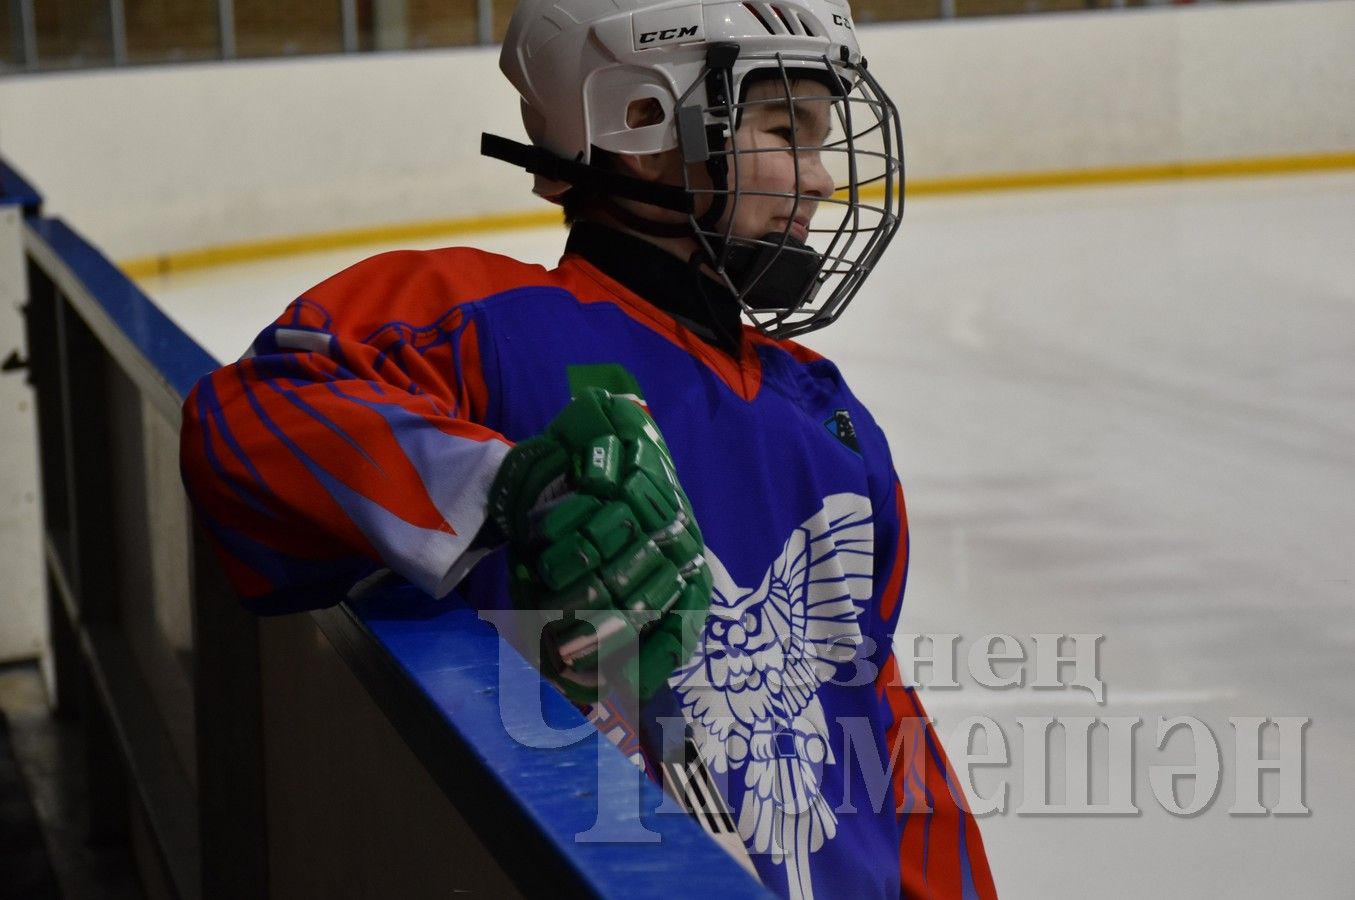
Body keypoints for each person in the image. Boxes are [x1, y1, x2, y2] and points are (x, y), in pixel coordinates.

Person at [179, 0, 996, 896]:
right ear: (642, 125)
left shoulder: (832, 420)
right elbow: (245, 423)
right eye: (786, 129)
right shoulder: (480, 322)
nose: (824, 180)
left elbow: (872, 712)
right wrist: (500, 488)